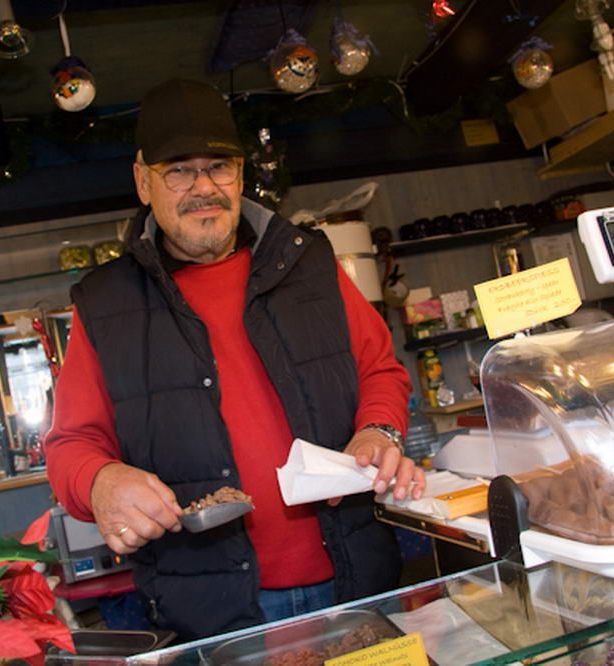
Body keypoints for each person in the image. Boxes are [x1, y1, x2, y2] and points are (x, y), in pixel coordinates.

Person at [44, 78, 425, 640]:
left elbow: (381, 371)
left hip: (358, 584)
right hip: (214, 613)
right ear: (143, 182)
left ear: (242, 175)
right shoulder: (106, 303)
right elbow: (70, 445)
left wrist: (378, 430)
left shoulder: (308, 263)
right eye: (178, 170)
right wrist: (100, 482)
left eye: (219, 166)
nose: (204, 187)